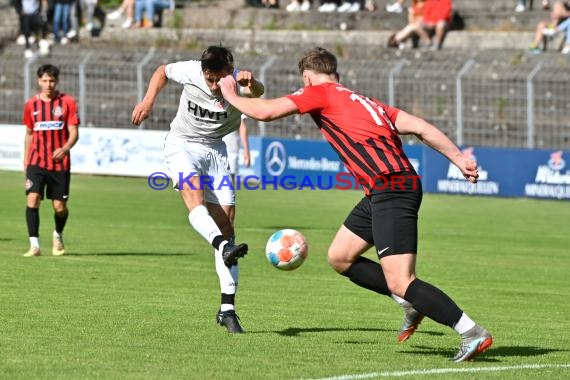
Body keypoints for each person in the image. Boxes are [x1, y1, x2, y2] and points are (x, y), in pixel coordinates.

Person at [219, 47, 493, 361]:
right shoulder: (367, 102)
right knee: (340, 257)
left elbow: (265, 112)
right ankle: (409, 302)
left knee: (401, 279)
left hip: (392, 186)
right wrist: (458, 159)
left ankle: (470, 331)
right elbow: (421, 127)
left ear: (307, 77)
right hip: (383, 189)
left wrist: (231, 94)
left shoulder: (319, 92)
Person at [131, 46, 265, 334]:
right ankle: (222, 247)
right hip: (182, 144)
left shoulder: (236, 81)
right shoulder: (191, 70)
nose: (215, 85)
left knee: (228, 228)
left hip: (216, 150)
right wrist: (149, 99)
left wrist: (251, 84)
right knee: (195, 200)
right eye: (210, 79)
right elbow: (162, 71)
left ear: (229, 71)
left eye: (220, 78)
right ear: (203, 71)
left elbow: (259, 93)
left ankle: (227, 310)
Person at [23, 64, 80, 257]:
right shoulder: (31, 105)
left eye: (52, 81)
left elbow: (74, 132)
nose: (48, 84)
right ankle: (34, 245)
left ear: (57, 81)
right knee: (32, 199)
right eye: (45, 81)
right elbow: (29, 134)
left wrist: (65, 148)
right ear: (39, 81)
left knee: (59, 207)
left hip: (59, 164)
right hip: (36, 162)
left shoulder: (67, 102)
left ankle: (58, 234)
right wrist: (26, 160)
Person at [222, 115, 251, 187]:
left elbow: (242, 126)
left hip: (231, 149)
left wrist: (246, 150)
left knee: (228, 186)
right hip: (210, 147)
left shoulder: (240, 104)